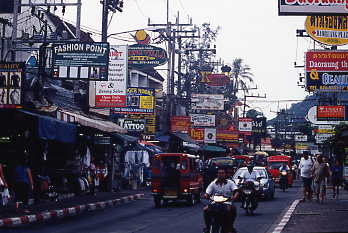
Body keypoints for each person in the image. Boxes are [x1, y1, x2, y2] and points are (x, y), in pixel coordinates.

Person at [203, 168, 239, 233]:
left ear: (225, 174)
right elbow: (207, 192)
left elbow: (236, 191)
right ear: (217, 174)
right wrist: (206, 195)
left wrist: (234, 196)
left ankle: (230, 226)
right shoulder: (213, 183)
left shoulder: (230, 183)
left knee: (233, 209)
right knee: (205, 209)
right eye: (219, 173)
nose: (221, 175)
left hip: (227, 202)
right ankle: (208, 227)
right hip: (215, 202)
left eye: (222, 173)